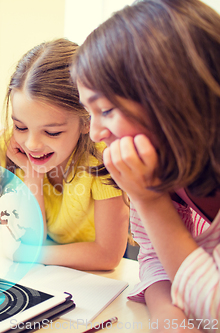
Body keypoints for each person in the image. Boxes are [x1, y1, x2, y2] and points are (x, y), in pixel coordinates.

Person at [72, 0, 220, 330]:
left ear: (172, 96)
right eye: (89, 113)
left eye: (107, 110)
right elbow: (154, 256)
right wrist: (169, 316)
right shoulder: (154, 165)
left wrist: (149, 200)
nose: (96, 132)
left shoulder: (147, 183)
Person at [2, 38, 129, 270]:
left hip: (96, 279)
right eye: (21, 127)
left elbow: (108, 255)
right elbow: (32, 240)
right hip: (50, 275)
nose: (32, 144)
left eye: (51, 132)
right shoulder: (13, 149)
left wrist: (30, 254)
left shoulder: (103, 158)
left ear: (87, 122)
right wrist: (33, 175)